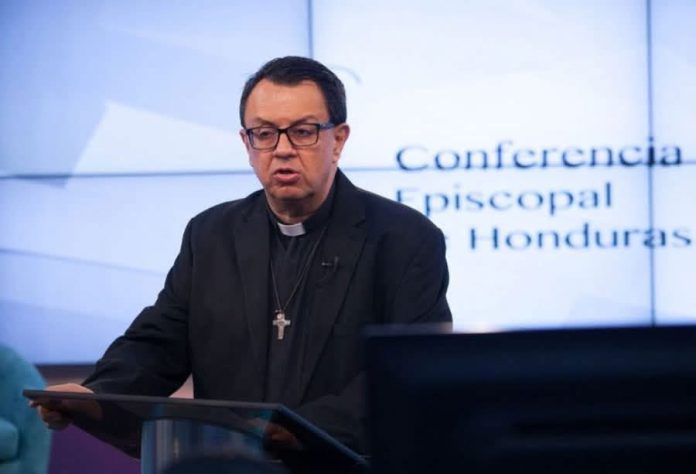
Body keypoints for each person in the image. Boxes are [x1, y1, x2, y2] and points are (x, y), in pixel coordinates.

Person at [34, 56, 451, 454]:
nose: (282, 149)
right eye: (264, 133)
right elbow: (159, 343)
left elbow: (411, 371)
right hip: (229, 462)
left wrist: (296, 430)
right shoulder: (211, 235)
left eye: (303, 131)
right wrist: (96, 394)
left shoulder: (404, 239)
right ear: (246, 143)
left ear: (338, 139)